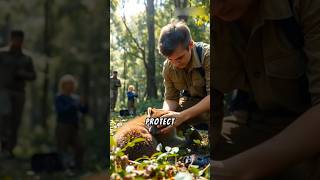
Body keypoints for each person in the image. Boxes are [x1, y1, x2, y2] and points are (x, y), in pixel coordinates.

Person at [212, 0, 320, 179]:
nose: (216, 9)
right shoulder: (211, 20)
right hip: (251, 121)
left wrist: (234, 170)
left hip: (307, 123)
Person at [157, 20, 210, 135]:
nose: (175, 64)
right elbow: (171, 99)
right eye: (171, 59)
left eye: (180, 58)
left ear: (190, 45)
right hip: (191, 105)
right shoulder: (168, 66)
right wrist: (164, 116)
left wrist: (182, 116)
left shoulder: (207, 56)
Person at [0, 30, 36, 157]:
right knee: (5, 117)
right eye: (15, 39)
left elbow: (33, 76)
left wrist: (23, 74)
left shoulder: (26, 58)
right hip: (4, 91)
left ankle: (10, 149)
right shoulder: (2, 54)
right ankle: (3, 147)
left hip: (19, 92)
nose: (17, 41)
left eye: (19, 39)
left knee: (15, 121)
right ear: (11, 39)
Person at [54, 74, 88, 169]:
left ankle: (77, 168)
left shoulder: (75, 98)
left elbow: (83, 111)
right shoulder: (59, 97)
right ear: (63, 85)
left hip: (74, 126)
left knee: (80, 147)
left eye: (72, 84)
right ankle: (62, 169)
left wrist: (84, 104)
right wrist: (73, 105)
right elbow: (60, 111)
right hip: (63, 126)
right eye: (68, 84)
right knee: (62, 149)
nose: (71, 86)